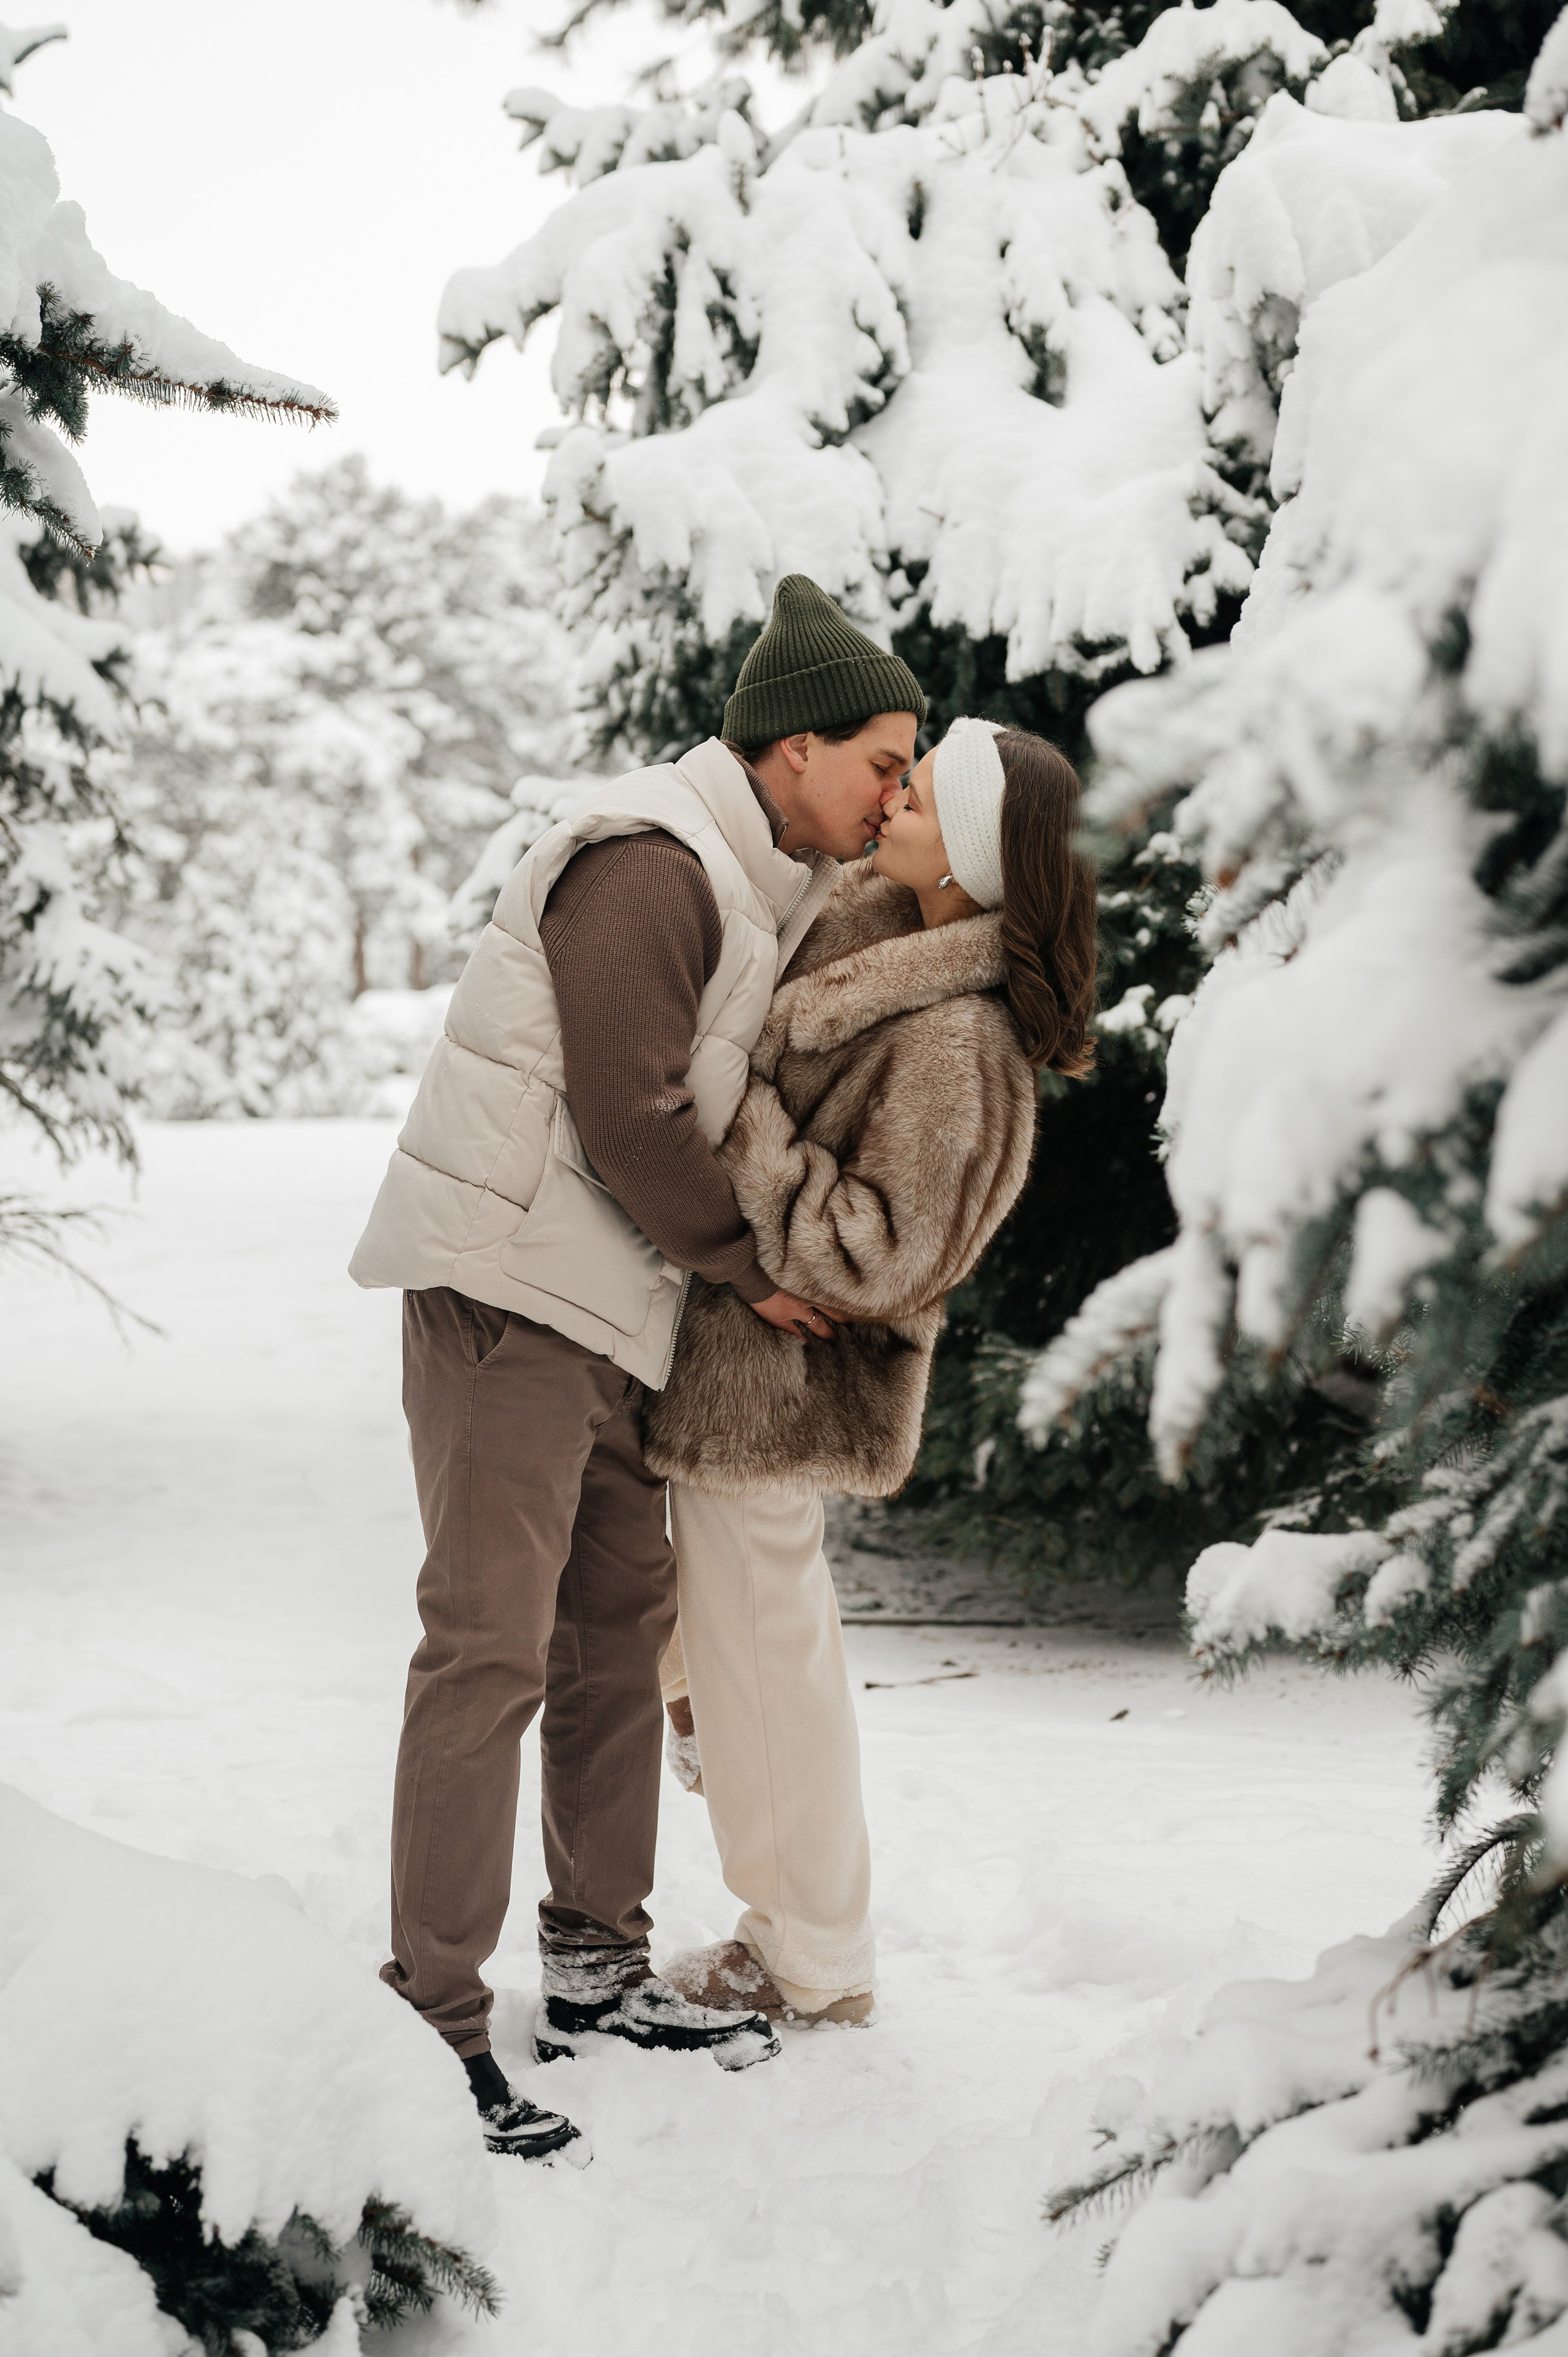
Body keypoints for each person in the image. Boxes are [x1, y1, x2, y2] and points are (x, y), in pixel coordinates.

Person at [348, 575, 927, 2162]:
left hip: (607, 1308)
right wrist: (757, 1267)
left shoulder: (762, 879)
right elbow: (628, 1112)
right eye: (883, 759)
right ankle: (434, 2024)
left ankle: (597, 1968)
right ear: (792, 749)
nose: (898, 793)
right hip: (508, 1293)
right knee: (490, 1648)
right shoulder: (654, 864)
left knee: (616, 1631)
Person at [645, 717, 1098, 2029]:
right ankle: (692, 1710)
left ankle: (811, 1961)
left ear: (971, 852)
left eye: (924, 786)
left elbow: (879, 1253)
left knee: (770, 1654)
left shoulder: (960, 1039)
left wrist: (739, 1117)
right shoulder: (869, 923)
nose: (893, 790)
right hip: (721, 1343)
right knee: (720, 1637)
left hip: (788, 1380)